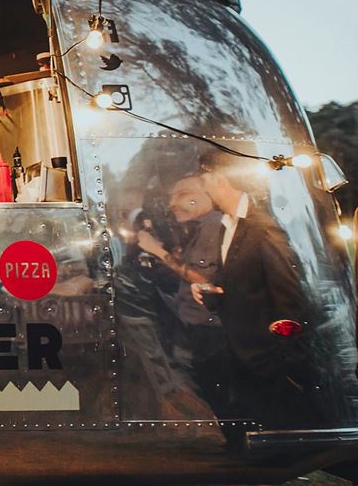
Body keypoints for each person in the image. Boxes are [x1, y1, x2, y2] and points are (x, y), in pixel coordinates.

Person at [192, 150, 321, 427]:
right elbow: (240, 285)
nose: (202, 190)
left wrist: (289, 367)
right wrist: (212, 293)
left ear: (219, 180)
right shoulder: (227, 226)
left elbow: (289, 298)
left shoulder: (263, 228)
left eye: (204, 182)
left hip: (265, 361)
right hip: (239, 353)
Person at [137, 175, 229, 416]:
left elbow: (202, 279)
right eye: (171, 197)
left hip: (207, 329)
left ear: (206, 195)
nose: (172, 203)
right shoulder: (201, 228)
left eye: (182, 195)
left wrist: (155, 250)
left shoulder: (212, 226)